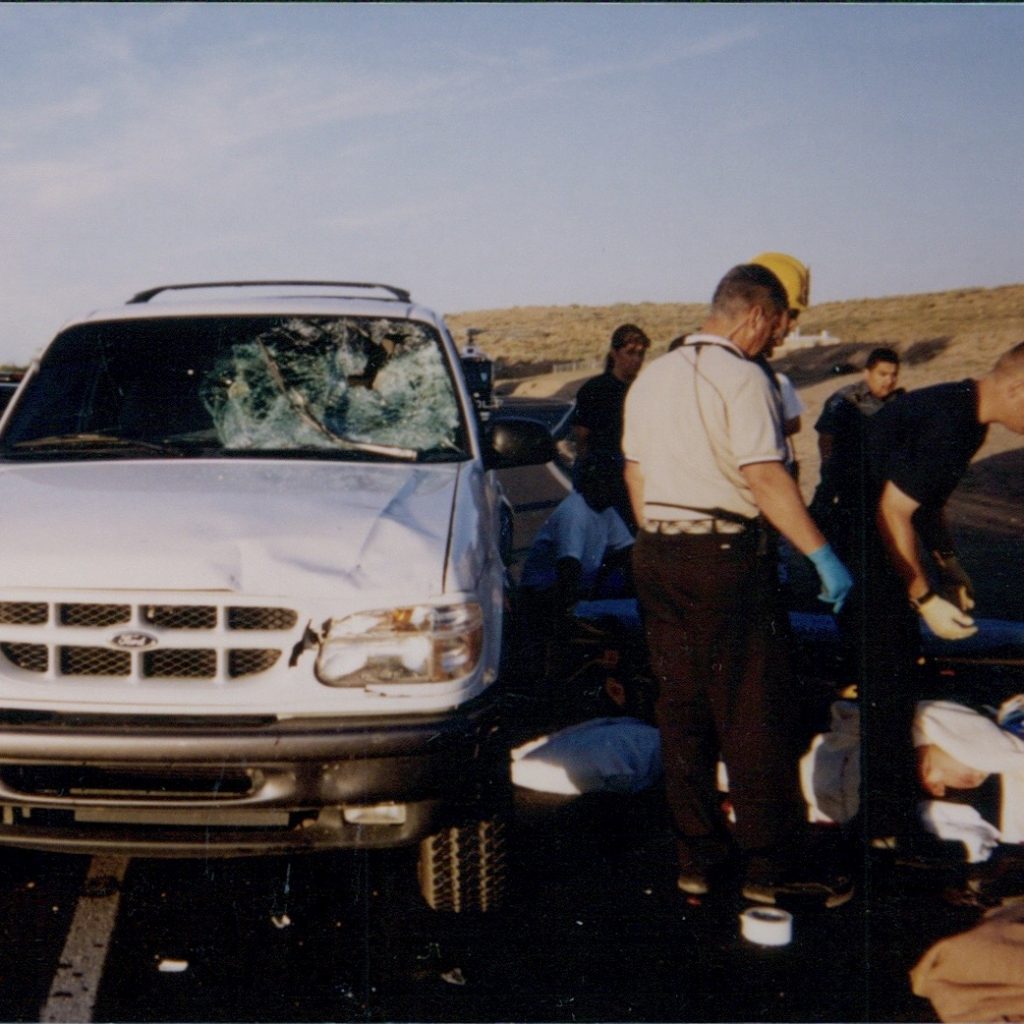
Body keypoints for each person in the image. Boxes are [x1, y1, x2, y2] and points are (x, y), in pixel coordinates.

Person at [622, 263, 854, 906]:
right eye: (779, 324)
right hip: (724, 556)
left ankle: (698, 856)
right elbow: (766, 477)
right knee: (754, 711)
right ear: (755, 315)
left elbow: (635, 474)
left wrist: (665, 538)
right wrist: (823, 557)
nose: (781, 337)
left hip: (657, 553)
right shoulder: (746, 377)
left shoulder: (652, 376)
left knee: (683, 709)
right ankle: (771, 867)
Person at [843, 341, 1024, 850]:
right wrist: (924, 598)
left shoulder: (965, 413)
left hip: (873, 542)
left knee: (896, 682)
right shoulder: (953, 423)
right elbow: (892, 511)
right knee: (887, 690)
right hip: (856, 548)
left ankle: (889, 817)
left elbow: (924, 500)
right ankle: (880, 832)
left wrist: (947, 562)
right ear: (1018, 388)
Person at [518, 452, 635, 681]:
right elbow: (568, 566)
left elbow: (626, 551)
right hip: (546, 594)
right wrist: (572, 614)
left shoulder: (605, 510)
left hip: (579, 584)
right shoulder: (575, 512)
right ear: (593, 483)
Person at [810, 347, 903, 551]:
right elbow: (826, 437)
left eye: (894, 375)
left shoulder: (900, 402)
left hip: (883, 481)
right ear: (867, 373)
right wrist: (830, 474)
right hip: (847, 478)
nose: (889, 381)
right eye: (882, 374)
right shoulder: (845, 399)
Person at [572, 324, 650, 530]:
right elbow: (582, 435)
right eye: (630, 352)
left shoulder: (645, 389)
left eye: (641, 354)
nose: (637, 359)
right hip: (604, 472)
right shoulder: (594, 389)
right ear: (614, 353)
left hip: (638, 470)